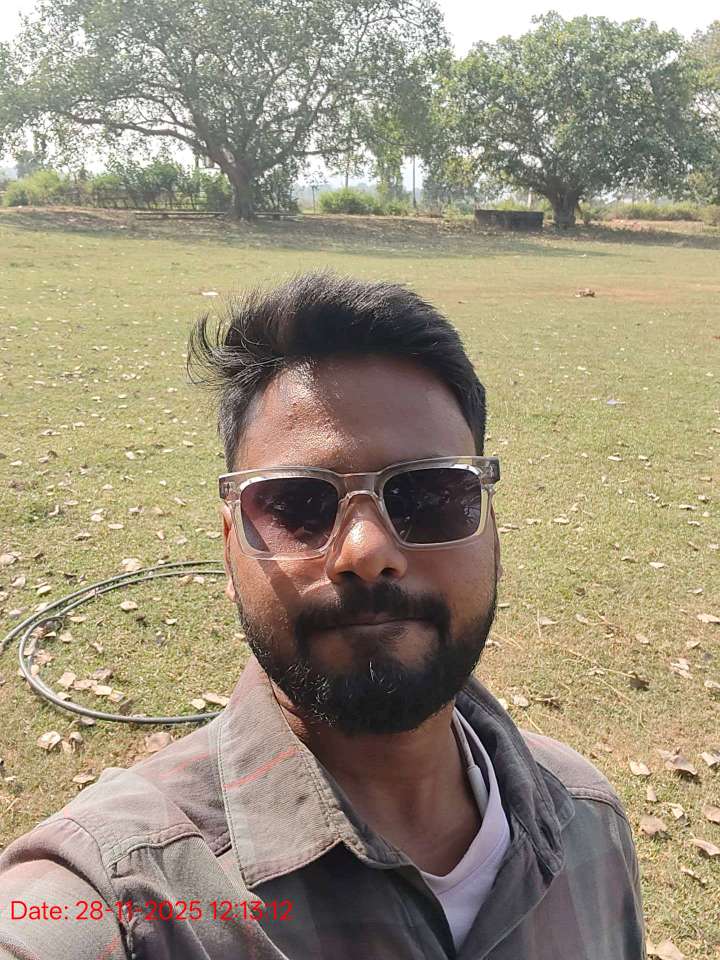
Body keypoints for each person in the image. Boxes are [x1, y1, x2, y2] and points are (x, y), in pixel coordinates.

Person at [0, 272, 645, 959]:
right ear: (230, 549)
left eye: (428, 495)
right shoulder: (121, 896)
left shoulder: (590, 821)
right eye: (297, 506)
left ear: (491, 529)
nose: (367, 553)